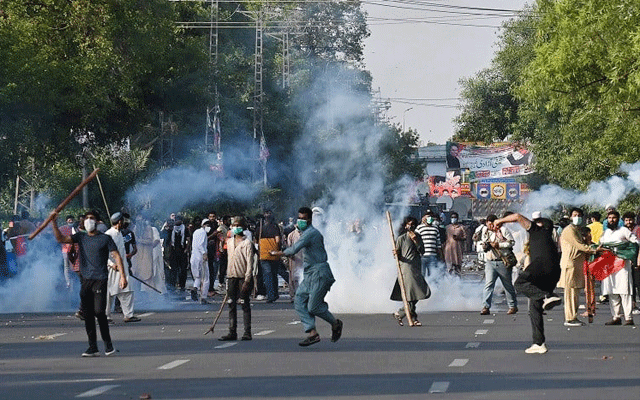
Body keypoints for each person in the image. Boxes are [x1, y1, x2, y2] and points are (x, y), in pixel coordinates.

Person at [51, 210, 128, 356]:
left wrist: (123, 277)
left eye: (92, 218)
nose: (88, 221)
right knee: (87, 314)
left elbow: (116, 256)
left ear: (98, 222)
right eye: (86, 218)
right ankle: (92, 347)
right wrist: (54, 222)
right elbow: (61, 238)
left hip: (100, 280)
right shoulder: (81, 237)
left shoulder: (105, 239)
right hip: (86, 280)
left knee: (99, 312)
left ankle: (108, 345)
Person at [271, 207, 343, 347]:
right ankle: (312, 333)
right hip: (310, 273)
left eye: (303, 219)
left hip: (320, 273)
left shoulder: (311, 233)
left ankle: (335, 324)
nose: (300, 221)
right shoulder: (305, 233)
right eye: (299, 218)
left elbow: (294, 249)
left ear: (310, 220)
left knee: (313, 307)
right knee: (299, 300)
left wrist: (277, 253)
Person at [494, 213, 562, 354]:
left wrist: (500, 221)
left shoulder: (538, 231)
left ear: (539, 225)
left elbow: (518, 217)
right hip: (554, 272)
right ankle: (538, 343)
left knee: (519, 283)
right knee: (534, 308)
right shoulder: (548, 238)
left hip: (541, 266)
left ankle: (545, 297)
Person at [558, 207, 598, 327]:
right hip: (570, 264)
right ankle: (570, 318)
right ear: (570, 217)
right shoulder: (569, 230)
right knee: (570, 293)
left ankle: (573, 316)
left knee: (575, 293)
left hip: (577, 265)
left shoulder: (577, 230)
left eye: (579, 215)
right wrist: (594, 249)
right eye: (575, 215)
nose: (577, 217)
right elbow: (580, 246)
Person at [599, 210, 639, 326]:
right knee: (611, 291)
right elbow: (601, 245)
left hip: (622, 265)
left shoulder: (624, 231)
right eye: (610, 218)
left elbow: (635, 243)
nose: (612, 220)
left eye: (614, 218)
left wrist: (627, 254)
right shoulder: (606, 233)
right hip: (609, 265)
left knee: (625, 291)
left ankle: (628, 317)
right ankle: (616, 316)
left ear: (618, 219)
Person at [390, 216, 430, 326]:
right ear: (406, 225)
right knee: (412, 294)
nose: (411, 226)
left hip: (416, 266)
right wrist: (395, 253)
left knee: (418, 292)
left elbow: (422, 251)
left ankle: (401, 313)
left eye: (413, 224)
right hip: (406, 268)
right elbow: (397, 255)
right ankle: (413, 317)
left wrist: (416, 240)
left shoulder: (418, 236)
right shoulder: (401, 238)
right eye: (409, 224)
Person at [219, 217, 254, 341]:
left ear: (243, 227)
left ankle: (247, 332)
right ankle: (232, 332)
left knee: (244, 304)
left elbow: (250, 263)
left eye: (238, 225)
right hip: (231, 277)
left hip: (242, 278)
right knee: (231, 305)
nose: (236, 228)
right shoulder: (229, 242)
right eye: (234, 226)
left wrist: (247, 280)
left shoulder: (247, 243)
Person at [478, 214, 518, 315]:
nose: (491, 226)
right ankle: (485, 307)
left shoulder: (503, 230)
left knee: (507, 285)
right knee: (489, 285)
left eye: (492, 224)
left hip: (502, 261)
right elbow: (483, 242)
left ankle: (512, 306)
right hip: (490, 261)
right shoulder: (485, 231)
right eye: (489, 224)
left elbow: (511, 242)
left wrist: (499, 245)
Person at [105, 213, 140, 323]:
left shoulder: (120, 233)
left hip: (123, 267)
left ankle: (128, 315)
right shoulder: (109, 234)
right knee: (108, 293)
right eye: (123, 220)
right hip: (112, 268)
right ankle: (105, 317)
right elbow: (103, 253)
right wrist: (111, 264)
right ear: (119, 222)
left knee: (127, 291)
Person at [259, 210, 285, 303]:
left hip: (264, 254)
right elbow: (278, 240)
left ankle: (271, 296)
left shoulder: (260, 227)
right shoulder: (275, 227)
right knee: (273, 275)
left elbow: (256, 241)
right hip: (274, 254)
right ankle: (274, 294)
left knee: (268, 275)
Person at [415, 210, 442, 277]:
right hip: (422, 256)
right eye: (428, 216)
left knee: (433, 276)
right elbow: (415, 241)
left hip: (433, 256)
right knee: (422, 275)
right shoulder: (419, 228)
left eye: (431, 216)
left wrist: (441, 256)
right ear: (424, 218)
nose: (429, 218)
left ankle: (432, 287)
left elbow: (438, 244)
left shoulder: (435, 228)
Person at [190, 219, 211, 304]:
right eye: (207, 225)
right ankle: (203, 297)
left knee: (198, 277)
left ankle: (195, 288)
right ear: (203, 225)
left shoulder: (196, 232)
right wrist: (204, 253)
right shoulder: (203, 233)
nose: (208, 227)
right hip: (201, 258)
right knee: (205, 278)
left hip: (194, 257)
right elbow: (200, 245)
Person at [443, 211, 466, 276]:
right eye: (452, 217)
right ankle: (450, 280)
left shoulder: (461, 227)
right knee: (449, 265)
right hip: (449, 249)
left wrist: (459, 238)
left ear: (457, 218)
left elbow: (465, 237)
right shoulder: (447, 227)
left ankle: (458, 280)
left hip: (457, 248)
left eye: (455, 217)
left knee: (457, 265)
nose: (453, 219)